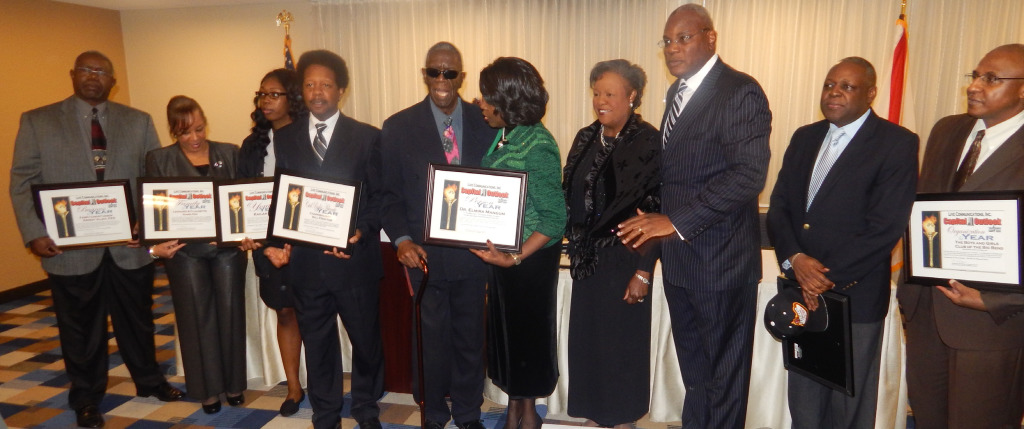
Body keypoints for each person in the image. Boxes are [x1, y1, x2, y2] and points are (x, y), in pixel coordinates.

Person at [9, 50, 183, 428]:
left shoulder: (137, 121)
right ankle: (86, 396)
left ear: (112, 80)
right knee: (80, 327)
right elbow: (21, 182)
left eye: (102, 72)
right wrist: (34, 232)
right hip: (69, 249)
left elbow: (153, 177)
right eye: (87, 70)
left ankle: (150, 381)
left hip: (129, 247)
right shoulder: (38, 121)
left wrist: (149, 223)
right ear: (72, 74)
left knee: (138, 321)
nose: (94, 76)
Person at [616, 5, 771, 428]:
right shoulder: (677, 94)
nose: (672, 48)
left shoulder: (740, 91)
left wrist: (676, 221)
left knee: (723, 382)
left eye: (683, 38)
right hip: (683, 264)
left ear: (711, 38)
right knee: (697, 379)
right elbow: (676, 176)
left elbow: (748, 174)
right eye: (667, 41)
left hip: (721, 264)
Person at [766, 57, 919, 428]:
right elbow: (780, 207)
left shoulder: (896, 143)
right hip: (799, 290)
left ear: (871, 94)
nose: (834, 92)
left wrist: (824, 277)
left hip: (854, 294)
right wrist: (795, 259)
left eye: (847, 86)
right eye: (829, 84)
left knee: (848, 401)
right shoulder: (805, 136)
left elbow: (886, 227)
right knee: (804, 393)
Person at [899, 43, 1024, 429]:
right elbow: (923, 207)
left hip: (990, 323)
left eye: (991, 79)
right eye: (974, 76)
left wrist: (991, 300)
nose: (975, 86)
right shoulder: (947, 130)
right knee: (929, 418)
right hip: (927, 313)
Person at [262, 49, 384, 429]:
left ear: (341, 90)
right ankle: (326, 413)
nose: (317, 92)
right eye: (310, 84)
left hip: (353, 261)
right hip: (307, 265)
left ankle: (365, 408)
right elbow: (284, 198)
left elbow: (381, 197)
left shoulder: (368, 137)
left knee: (366, 342)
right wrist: (276, 242)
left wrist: (360, 231)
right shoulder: (284, 138)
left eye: (326, 85)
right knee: (318, 344)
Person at [380, 42, 496, 429]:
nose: (442, 80)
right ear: (425, 74)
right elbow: (388, 195)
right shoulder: (397, 127)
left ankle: (467, 413)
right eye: (435, 71)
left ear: (461, 77)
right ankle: (432, 412)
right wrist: (401, 240)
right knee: (430, 340)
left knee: (468, 339)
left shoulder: (486, 122)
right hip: (423, 256)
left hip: (474, 255)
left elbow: (501, 186)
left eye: (450, 73)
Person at [562, 59, 661, 428]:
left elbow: (656, 213)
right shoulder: (586, 137)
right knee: (589, 347)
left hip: (625, 261)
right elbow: (571, 194)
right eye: (597, 93)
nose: (601, 100)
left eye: (610, 94)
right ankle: (595, 416)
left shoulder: (648, 141)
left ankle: (622, 420)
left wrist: (643, 272)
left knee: (621, 350)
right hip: (588, 263)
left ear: (632, 96)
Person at [470, 57, 566, 429]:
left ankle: (526, 416)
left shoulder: (538, 144)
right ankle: (515, 407)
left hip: (529, 262)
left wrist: (516, 258)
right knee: (508, 339)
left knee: (525, 339)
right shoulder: (507, 132)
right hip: (505, 260)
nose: (480, 103)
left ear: (507, 101)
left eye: (486, 97)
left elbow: (555, 219)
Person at [144, 95, 246, 414]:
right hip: (184, 252)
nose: (195, 138)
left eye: (199, 128)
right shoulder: (158, 159)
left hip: (226, 251)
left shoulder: (229, 153)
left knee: (230, 314)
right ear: (174, 132)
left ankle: (233, 385)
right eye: (185, 132)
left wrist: (240, 233)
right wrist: (156, 245)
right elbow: (154, 207)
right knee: (194, 319)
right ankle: (206, 391)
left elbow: (241, 199)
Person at [237, 68, 308, 417]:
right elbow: (242, 198)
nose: (266, 100)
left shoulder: (311, 138)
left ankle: (325, 382)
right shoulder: (252, 146)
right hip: (268, 244)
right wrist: (247, 237)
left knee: (315, 310)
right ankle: (294, 387)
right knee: (284, 311)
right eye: (262, 94)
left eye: (274, 93)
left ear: (292, 98)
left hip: (307, 240)